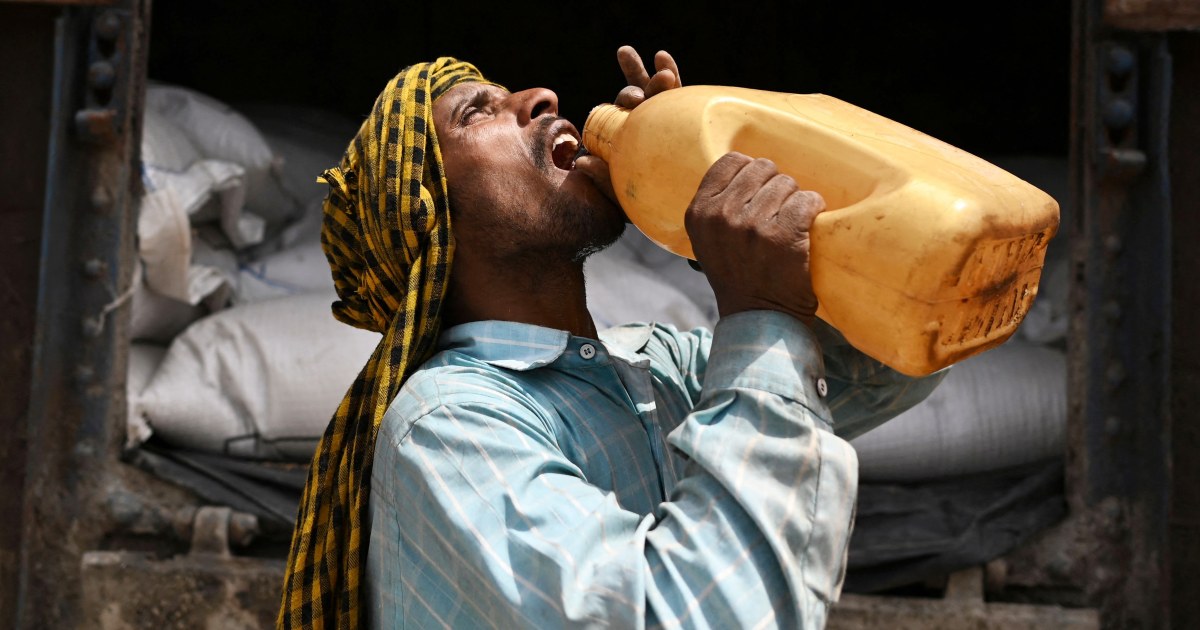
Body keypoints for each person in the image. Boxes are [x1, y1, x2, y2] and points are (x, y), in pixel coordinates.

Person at [278, 47, 946, 629]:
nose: (540, 96)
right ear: (426, 212)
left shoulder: (657, 367)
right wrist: (761, 313)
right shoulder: (450, 426)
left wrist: (711, 189)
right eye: (477, 113)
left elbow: (895, 357)